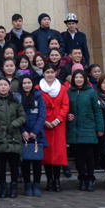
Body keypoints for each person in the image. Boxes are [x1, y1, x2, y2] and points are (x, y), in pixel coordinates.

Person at [66, 70, 104, 192]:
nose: (78, 79)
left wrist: (100, 128)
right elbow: (65, 108)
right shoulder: (68, 93)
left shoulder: (91, 93)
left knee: (90, 156)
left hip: (89, 129)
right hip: (74, 130)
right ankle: (82, 178)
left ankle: (91, 178)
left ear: (85, 79)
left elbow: (97, 111)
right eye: (76, 77)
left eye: (80, 77)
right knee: (78, 157)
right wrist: (68, 115)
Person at [0, 77, 26, 198]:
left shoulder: (16, 101)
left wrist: (14, 124)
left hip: (13, 136)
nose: (3, 87)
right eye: (1, 85)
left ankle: (14, 187)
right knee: (1, 165)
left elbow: (22, 116)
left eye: (5, 85)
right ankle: (3, 187)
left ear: (9, 87)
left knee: (14, 164)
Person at [40, 64, 69, 192]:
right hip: (44, 124)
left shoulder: (62, 88)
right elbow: (39, 107)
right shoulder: (38, 88)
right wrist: (44, 121)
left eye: (52, 72)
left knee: (58, 153)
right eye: (47, 72)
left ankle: (57, 181)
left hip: (58, 124)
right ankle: (49, 180)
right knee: (46, 154)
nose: (50, 74)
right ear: (43, 73)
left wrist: (57, 120)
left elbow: (65, 105)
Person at [17, 76, 47, 196]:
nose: (26, 85)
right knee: (25, 161)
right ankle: (27, 184)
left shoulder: (39, 97)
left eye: (29, 82)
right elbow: (16, 115)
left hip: (36, 134)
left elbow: (42, 115)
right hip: (23, 134)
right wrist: (23, 131)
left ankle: (37, 184)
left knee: (36, 161)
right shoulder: (17, 98)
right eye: (24, 83)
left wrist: (35, 131)